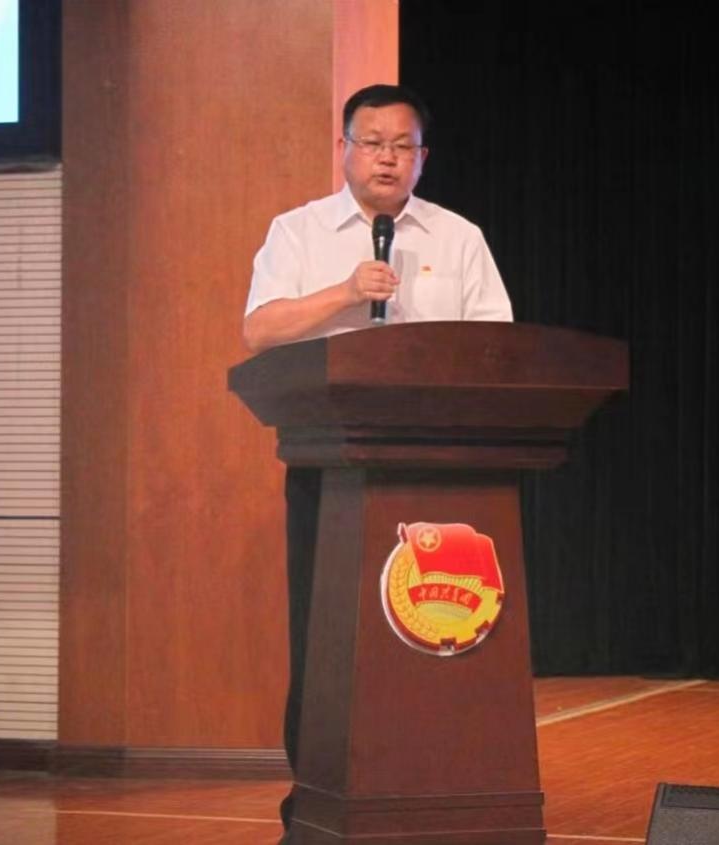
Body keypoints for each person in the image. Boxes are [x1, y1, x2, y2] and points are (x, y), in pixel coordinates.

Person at [241, 83, 512, 841]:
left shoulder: (459, 237)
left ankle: (438, 789)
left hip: (442, 471)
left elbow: (497, 346)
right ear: (344, 149)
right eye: (372, 143)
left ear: (422, 157)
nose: (386, 158)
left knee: (437, 629)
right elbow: (259, 330)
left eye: (402, 146)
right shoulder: (297, 232)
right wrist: (344, 292)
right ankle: (318, 799)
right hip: (330, 465)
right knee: (327, 638)